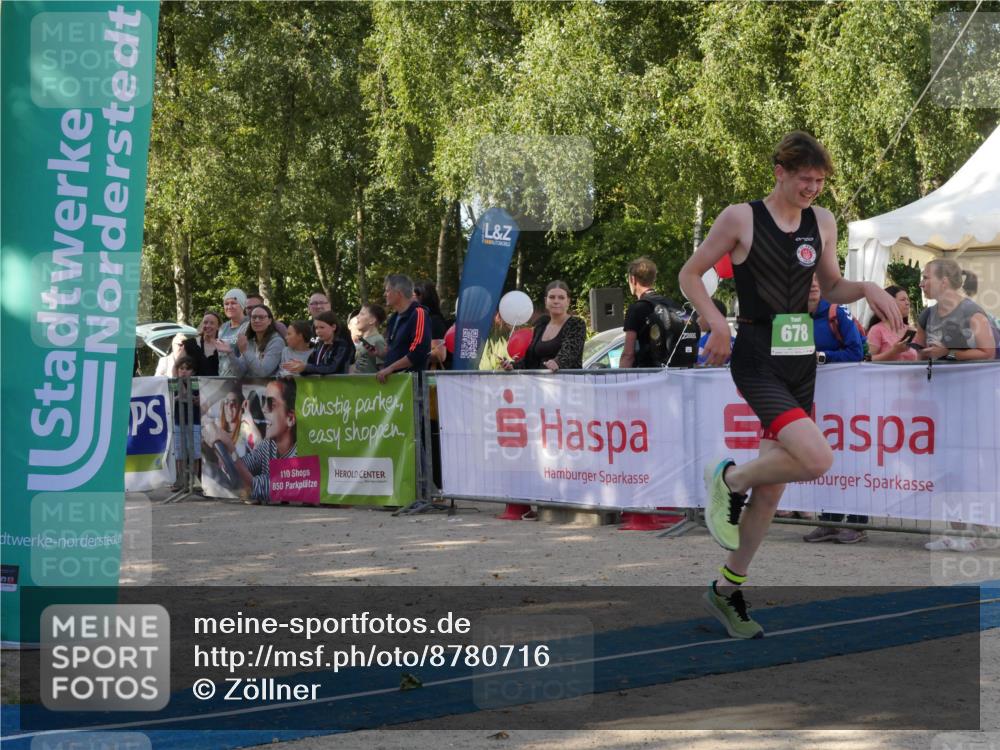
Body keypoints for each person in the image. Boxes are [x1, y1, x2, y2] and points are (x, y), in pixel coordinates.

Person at [678, 130, 902, 639]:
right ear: (780, 171)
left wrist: (865, 287)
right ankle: (730, 478)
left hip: (802, 358)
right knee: (818, 458)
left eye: (821, 181)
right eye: (805, 179)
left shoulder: (821, 221)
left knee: (774, 490)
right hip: (756, 355)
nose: (813, 189)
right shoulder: (740, 217)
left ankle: (727, 590)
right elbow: (690, 275)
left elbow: (834, 286)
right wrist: (715, 322)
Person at [800, 275, 867, 543]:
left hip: (849, 401)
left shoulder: (836, 311)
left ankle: (858, 523)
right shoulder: (789, 315)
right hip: (816, 401)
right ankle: (829, 521)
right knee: (823, 458)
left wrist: (824, 357)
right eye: (808, 279)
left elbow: (856, 352)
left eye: (818, 280)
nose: (814, 284)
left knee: (852, 458)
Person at [211, 378, 297, 504]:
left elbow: (257, 486)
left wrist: (230, 448)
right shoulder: (268, 444)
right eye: (263, 401)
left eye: (271, 403)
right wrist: (224, 459)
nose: (264, 409)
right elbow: (247, 464)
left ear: (290, 418)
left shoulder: (299, 455)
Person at [913, 260, 996, 362]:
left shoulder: (972, 313)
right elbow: (921, 358)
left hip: (971, 377)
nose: (921, 284)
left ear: (944, 282)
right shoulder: (926, 315)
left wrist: (948, 353)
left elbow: (988, 354)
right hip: (936, 378)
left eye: (925, 278)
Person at [502, 281, 586, 372]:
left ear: (568, 302)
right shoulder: (541, 324)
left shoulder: (576, 324)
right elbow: (529, 360)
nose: (556, 301)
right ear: (546, 301)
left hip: (568, 383)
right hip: (539, 385)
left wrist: (557, 362)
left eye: (561, 298)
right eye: (552, 297)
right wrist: (512, 366)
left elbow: (570, 352)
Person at [620, 257, 682, 368]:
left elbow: (628, 354)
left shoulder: (637, 308)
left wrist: (621, 381)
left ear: (633, 279)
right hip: (674, 374)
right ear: (653, 279)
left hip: (647, 375)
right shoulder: (672, 304)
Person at [377, 274, 432, 383]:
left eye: (387, 291)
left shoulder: (419, 314)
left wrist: (391, 368)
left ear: (399, 293)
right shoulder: (393, 318)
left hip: (411, 385)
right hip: (393, 385)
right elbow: (396, 350)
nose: (385, 294)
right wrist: (381, 354)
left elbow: (418, 352)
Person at [284, 310, 354, 376]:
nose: (318, 331)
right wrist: (299, 368)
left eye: (322, 327)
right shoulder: (318, 346)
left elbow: (332, 368)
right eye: (316, 328)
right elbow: (312, 366)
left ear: (333, 327)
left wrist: (306, 367)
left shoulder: (341, 346)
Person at [226, 303, 285, 378]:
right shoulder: (250, 341)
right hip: (250, 388)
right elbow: (240, 373)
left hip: (271, 388)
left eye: (261, 317)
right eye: (253, 317)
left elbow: (263, 372)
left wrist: (245, 351)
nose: (257, 320)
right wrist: (230, 353)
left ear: (269, 321)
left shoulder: (277, 342)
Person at [171, 356, 201, 491]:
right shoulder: (173, 383)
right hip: (178, 422)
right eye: (181, 368)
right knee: (179, 452)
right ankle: (180, 478)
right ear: (177, 370)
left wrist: (196, 399)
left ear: (193, 372)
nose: (184, 371)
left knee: (195, 451)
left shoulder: (196, 383)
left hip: (194, 421)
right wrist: (177, 397)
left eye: (188, 369)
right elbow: (169, 400)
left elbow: (201, 398)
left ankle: (195, 479)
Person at [867, 286, 918, 362]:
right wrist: (893, 352)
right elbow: (867, 360)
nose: (907, 303)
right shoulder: (877, 330)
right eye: (903, 300)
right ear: (889, 303)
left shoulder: (911, 330)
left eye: (908, 299)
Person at [414, 280, 450, 369]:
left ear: (421, 296)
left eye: (410, 295)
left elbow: (440, 354)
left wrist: (408, 353)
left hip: (430, 379)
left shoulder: (433, 320)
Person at [216, 288, 248, 377]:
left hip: (242, 380)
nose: (229, 307)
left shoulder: (249, 325)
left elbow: (247, 358)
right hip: (223, 379)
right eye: (226, 304)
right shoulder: (223, 327)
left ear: (242, 305)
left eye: (233, 303)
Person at [696, 299, 735, 366]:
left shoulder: (704, 342)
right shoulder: (735, 341)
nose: (697, 320)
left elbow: (702, 368)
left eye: (699, 315)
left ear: (711, 317)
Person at [351, 304, 388, 374]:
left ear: (372, 320)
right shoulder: (362, 340)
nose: (357, 317)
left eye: (362, 314)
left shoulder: (378, 340)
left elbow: (383, 370)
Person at [186, 311, 223, 376]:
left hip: (218, 385)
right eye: (205, 322)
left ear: (218, 327)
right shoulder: (190, 344)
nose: (208, 325)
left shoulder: (223, 345)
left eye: (212, 323)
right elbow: (176, 366)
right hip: (194, 385)